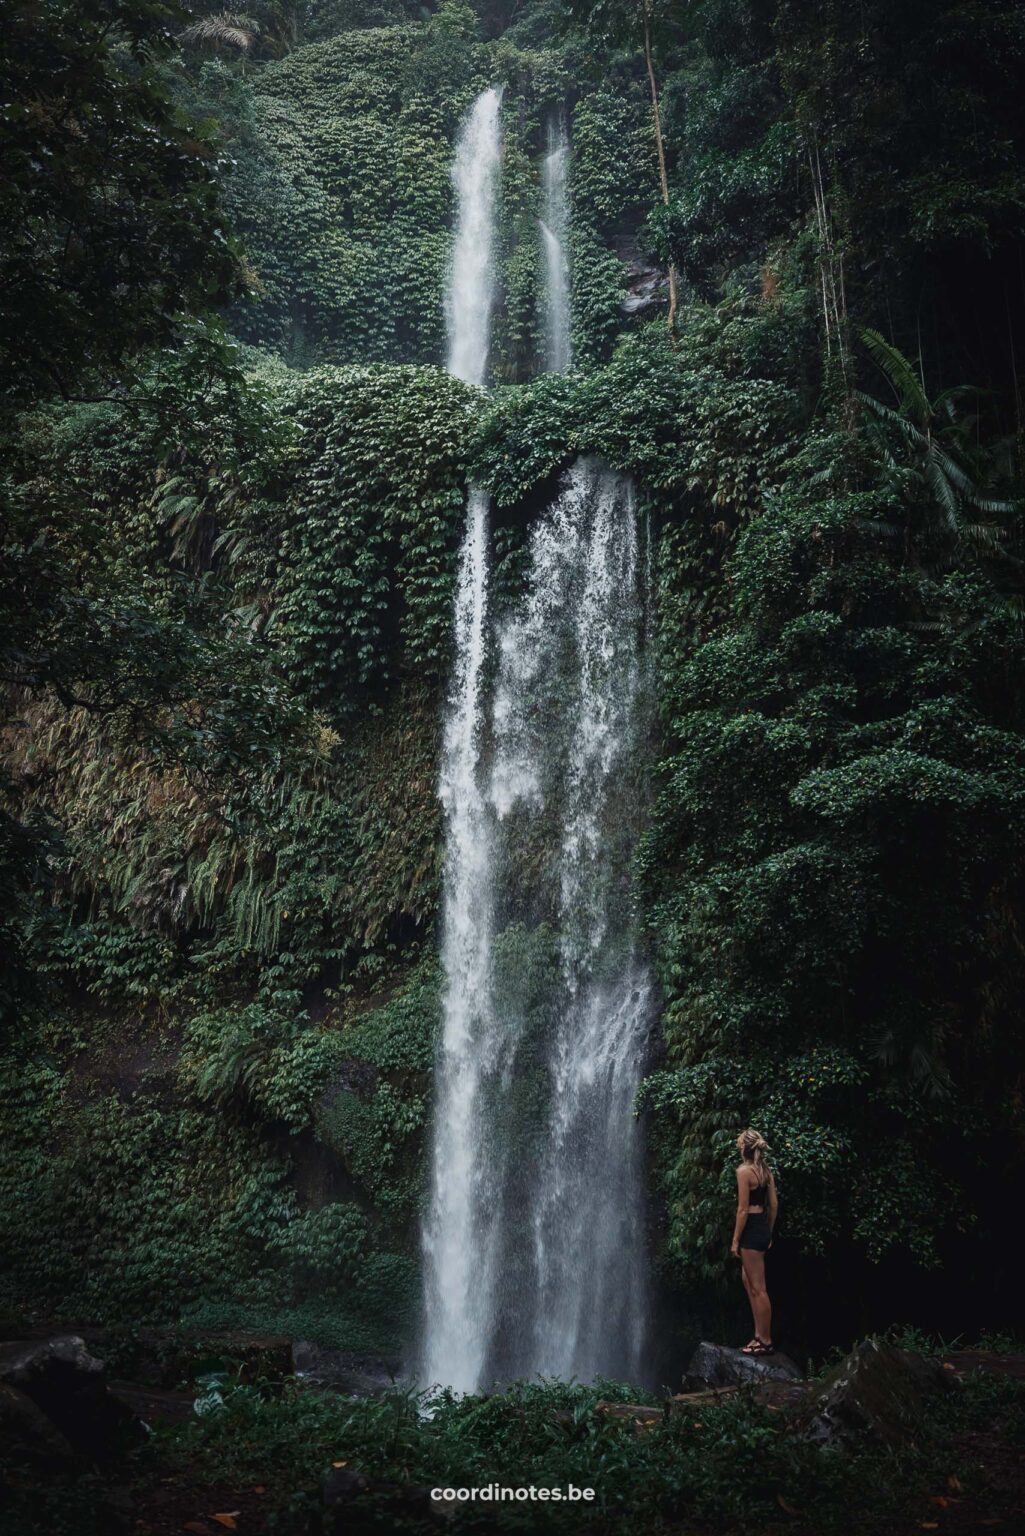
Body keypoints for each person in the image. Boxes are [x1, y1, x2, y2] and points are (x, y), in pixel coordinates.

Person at [730, 1127, 777, 1355]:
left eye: (739, 1143)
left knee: (759, 1288)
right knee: (747, 1279)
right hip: (762, 1226)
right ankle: (758, 1335)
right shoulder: (765, 1171)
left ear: (745, 1148)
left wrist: (736, 1239)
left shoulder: (744, 1172)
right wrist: (768, 1231)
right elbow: (774, 1205)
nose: (738, 1146)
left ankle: (765, 1341)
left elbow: (742, 1209)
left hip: (750, 1228)